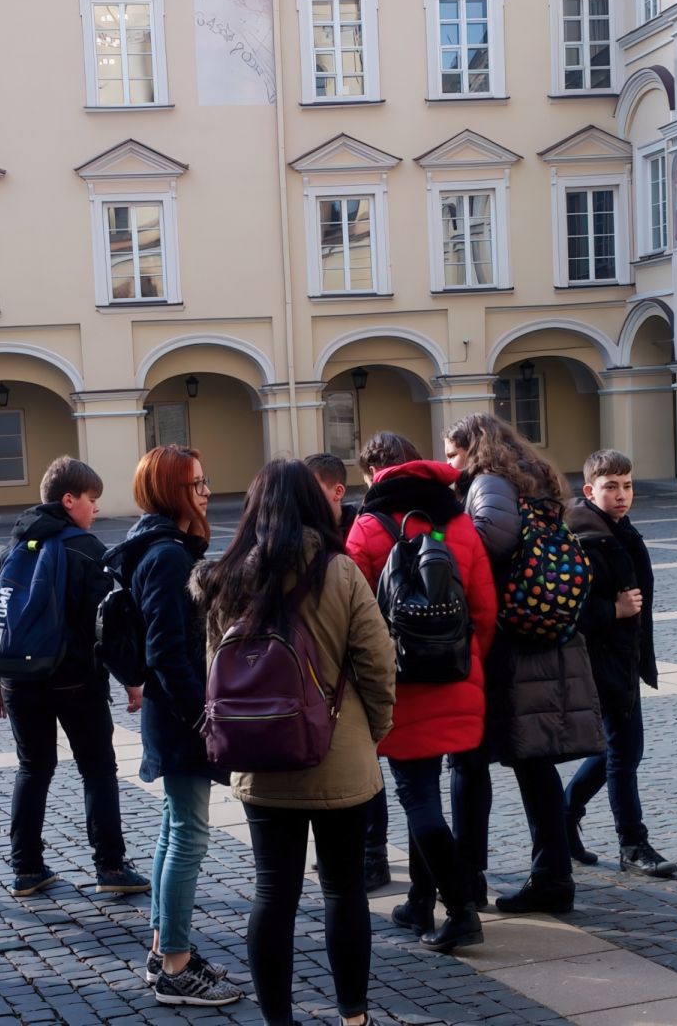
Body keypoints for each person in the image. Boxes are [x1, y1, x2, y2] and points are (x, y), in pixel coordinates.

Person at [194, 460, 397, 1026]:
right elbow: (377, 663)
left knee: (273, 893)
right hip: (340, 754)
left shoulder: (228, 577)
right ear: (314, 504)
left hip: (260, 755)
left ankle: (278, 1022)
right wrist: (374, 730)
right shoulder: (340, 570)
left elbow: (215, 671)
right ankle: (353, 1017)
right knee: (344, 891)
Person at [443, 413, 602, 915]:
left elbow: (488, 539)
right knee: (534, 762)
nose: (449, 465)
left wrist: (439, 538)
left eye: (452, 454)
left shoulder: (489, 481)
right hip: (542, 634)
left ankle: (473, 878)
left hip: (506, 639)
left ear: (473, 448)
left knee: (470, 758)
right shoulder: (535, 478)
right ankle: (552, 876)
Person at [104, 445, 244, 1007]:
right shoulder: (166, 556)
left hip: (173, 711)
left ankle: (165, 949)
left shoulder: (163, 547)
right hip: (181, 713)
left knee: (174, 828)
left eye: (206, 482)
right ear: (170, 491)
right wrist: (203, 716)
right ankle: (176, 968)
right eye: (196, 484)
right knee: (189, 834)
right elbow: (165, 649)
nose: (207, 492)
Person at [344, 432, 495, 952]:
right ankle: (419, 901)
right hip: (455, 675)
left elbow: (353, 617)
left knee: (418, 795)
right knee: (425, 796)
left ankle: (461, 910)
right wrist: (465, 661)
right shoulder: (458, 522)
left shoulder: (367, 528)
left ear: (374, 477)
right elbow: (484, 610)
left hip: (399, 685)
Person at [0, 457, 147, 897]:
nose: (96, 508)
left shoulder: (13, 547)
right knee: (98, 769)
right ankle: (111, 867)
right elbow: (107, 625)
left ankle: (26, 869)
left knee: (32, 769)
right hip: (75, 681)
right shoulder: (87, 549)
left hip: (19, 680)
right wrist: (131, 679)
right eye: (92, 499)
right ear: (69, 500)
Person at [562, 450, 677, 877]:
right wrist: (614, 610)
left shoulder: (618, 531)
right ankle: (632, 843)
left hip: (622, 659)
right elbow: (568, 608)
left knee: (619, 751)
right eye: (611, 487)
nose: (622, 494)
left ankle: (565, 815)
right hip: (600, 662)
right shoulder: (587, 539)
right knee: (623, 754)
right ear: (590, 491)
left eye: (627, 486)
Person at [305, 450, 389, 893]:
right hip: (319, 680)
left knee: (366, 771)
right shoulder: (306, 536)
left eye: (313, 489)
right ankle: (344, 854)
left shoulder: (359, 532)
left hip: (354, 675)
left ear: (337, 491)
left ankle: (374, 855)